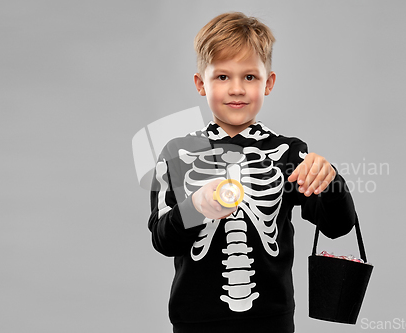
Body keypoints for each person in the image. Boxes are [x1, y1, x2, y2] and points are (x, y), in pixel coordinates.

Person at [148, 12, 357, 333]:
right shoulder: (176, 154)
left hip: (272, 322)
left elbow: (337, 226)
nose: (236, 89)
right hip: (194, 322)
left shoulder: (289, 153)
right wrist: (195, 208)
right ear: (200, 84)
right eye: (222, 77)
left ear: (268, 82)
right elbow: (162, 239)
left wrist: (330, 180)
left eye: (249, 77)